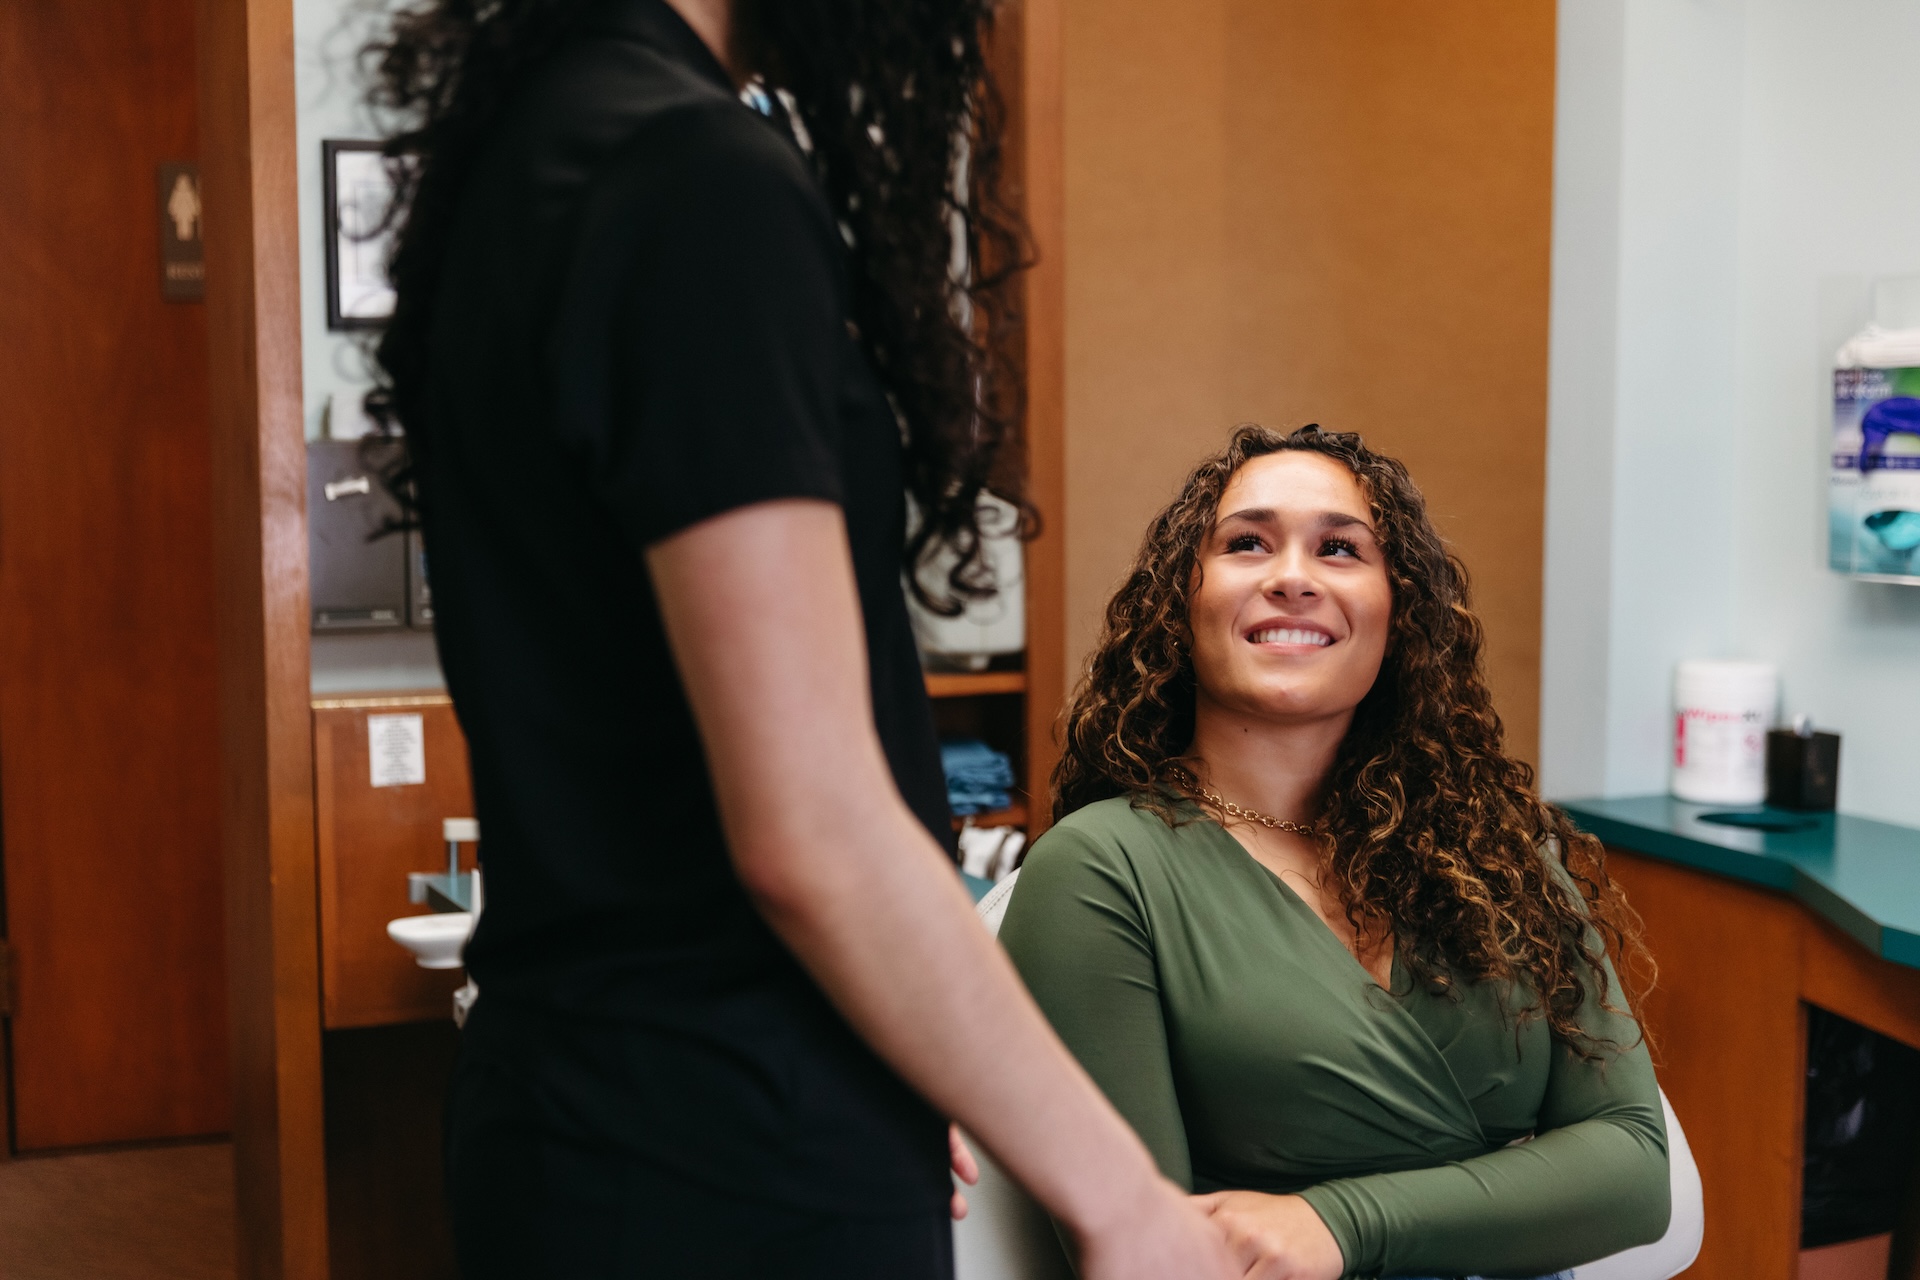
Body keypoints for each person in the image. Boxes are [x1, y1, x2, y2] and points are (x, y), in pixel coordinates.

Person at [361, 1, 1238, 1277]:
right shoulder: (691, 177)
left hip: (587, 1117)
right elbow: (812, 829)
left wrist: (914, 1047)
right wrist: (1128, 1204)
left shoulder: (546, 143)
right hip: (727, 1145)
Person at [1000, 424, 1673, 1280]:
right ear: (1182, 601)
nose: (1292, 577)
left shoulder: (1497, 849)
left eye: (1340, 549)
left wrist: (1340, 1222)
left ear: (1399, 614)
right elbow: (1149, 1260)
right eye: (1247, 543)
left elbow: (1635, 1170)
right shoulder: (1101, 869)